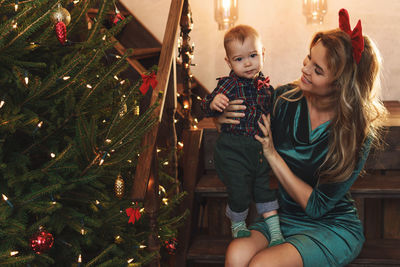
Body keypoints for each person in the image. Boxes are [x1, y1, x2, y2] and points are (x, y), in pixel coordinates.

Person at [216, 9, 387, 267]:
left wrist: (272, 155)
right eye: (309, 57)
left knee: (263, 265)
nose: (304, 68)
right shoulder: (284, 99)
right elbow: (239, 128)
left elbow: (317, 206)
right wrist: (222, 117)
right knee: (236, 254)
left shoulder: (356, 133)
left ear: (340, 85)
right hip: (283, 216)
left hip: (331, 225)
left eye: (317, 69)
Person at [201, 25, 284, 244]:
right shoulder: (228, 85)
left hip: (259, 150)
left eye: (253, 55)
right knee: (239, 190)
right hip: (233, 151)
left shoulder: (267, 88)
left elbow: (275, 113)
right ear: (228, 62)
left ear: (262, 54)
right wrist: (214, 103)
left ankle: (275, 232)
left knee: (265, 190)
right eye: (239, 59)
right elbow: (205, 105)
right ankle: (238, 224)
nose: (247, 63)